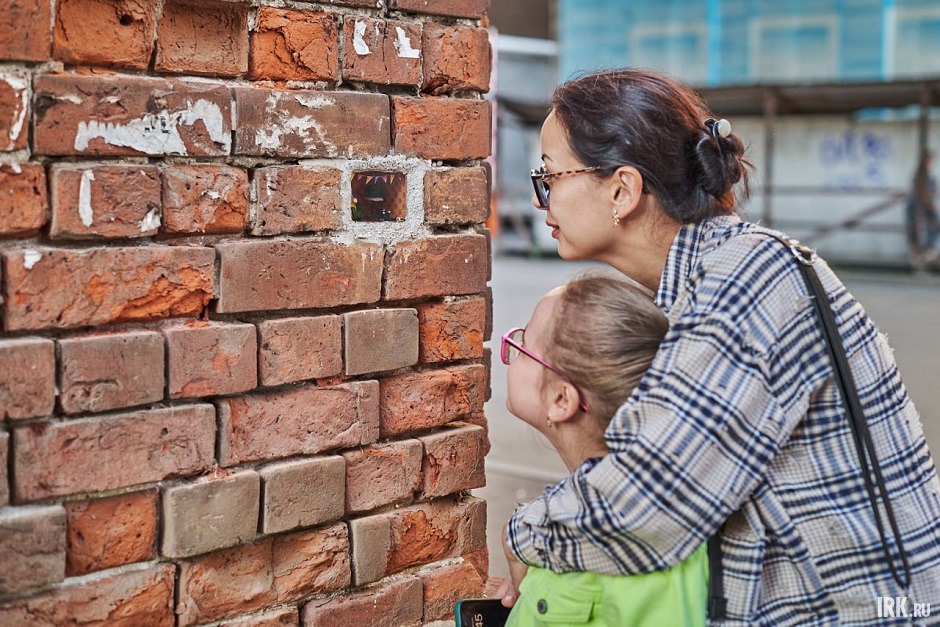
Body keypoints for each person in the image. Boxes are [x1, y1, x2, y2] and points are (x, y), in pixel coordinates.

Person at [496, 69, 940, 625]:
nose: (542, 198)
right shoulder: (716, 276)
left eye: (550, 175)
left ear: (621, 190)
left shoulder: (748, 276)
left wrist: (525, 534)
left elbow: (649, 502)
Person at [500, 273, 707, 626]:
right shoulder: (696, 510)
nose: (510, 348)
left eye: (522, 345)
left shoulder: (566, 571)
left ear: (562, 399)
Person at [907, 152, 940, 269]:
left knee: (927, 234)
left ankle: (924, 259)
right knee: (918, 235)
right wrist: (932, 207)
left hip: (924, 209)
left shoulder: (928, 175)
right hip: (919, 209)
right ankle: (921, 262)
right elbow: (922, 194)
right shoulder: (920, 176)